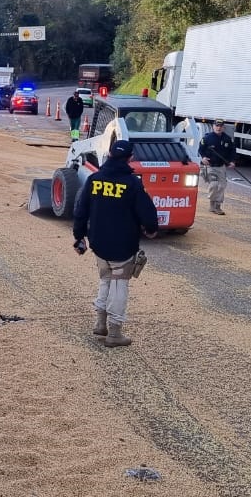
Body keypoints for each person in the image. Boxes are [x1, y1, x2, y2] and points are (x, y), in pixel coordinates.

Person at [72, 140, 159, 347]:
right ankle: (115, 332)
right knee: (119, 285)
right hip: (123, 245)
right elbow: (147, 213)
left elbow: (81, 210)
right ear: (130, 158)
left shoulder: (94, 179)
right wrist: (151, 229)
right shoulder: (132, 183)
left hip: (98, 243)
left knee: (105, 280)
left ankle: (100, 323)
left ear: (109, 154)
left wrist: (79, 236)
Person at [200, 119, 236, 215]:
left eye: (220, 126)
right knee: (214, 184)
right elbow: (200, 149)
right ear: (213, 126)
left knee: (222, 186)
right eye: (217, 126)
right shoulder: (207, 138)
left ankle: (218, 206)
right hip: (210, 166)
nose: (218, 128)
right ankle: (212, 205)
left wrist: (232, 161)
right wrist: (203, 158)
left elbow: (232, 151)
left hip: (221, 166)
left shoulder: (227, 139)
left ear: (223, 127)